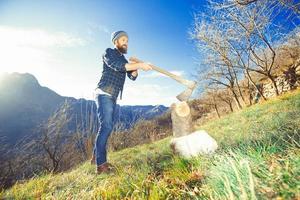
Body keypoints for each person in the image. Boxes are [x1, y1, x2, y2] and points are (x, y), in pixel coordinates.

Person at [92, 30, 153, 174]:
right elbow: (118, 66)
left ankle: (96, 156)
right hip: (103, 93)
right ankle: (101, 165)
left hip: (113, 96)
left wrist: (136, 66)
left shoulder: (125, 60)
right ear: (116, 42)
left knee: (107, 127)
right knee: (106, 126)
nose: (126, 43)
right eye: (123, 40)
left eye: (127, 41)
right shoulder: (109, 53)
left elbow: (132, 76)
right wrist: (139, 65)